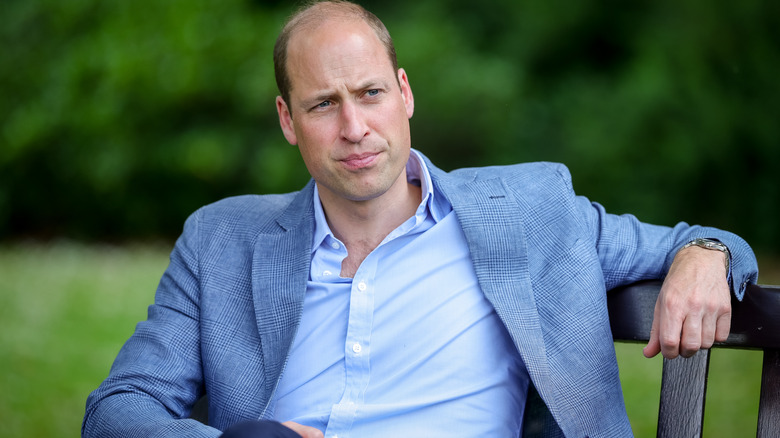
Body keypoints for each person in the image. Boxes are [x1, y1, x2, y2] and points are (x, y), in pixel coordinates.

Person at [82, 1, 759, 437]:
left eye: (371, 94)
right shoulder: (221, 239)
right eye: (323, 105)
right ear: (288, 121)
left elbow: (695, 241)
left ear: (404, 93)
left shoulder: (530, 212)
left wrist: (706, 250)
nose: (355, 128)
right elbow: (117, 410)